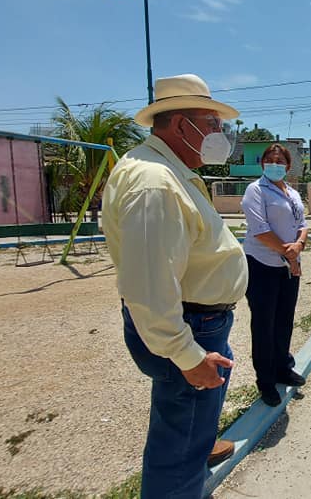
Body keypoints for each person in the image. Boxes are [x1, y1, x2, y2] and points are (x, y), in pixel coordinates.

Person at [102, 74, 247, 497]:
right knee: (178, 446)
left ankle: (199, 444)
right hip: (192, 327)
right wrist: (188, 356)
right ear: (182, 125)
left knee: (190, 425)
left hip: (200, 322)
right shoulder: (155, 183)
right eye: (213, 123)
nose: (220, 134)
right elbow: (149, 287)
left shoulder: (167, 172)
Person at [242, 143, 309, 407]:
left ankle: (283, 368)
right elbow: (260, 229)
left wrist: (299, 245)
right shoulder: (255, 190)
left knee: (284, 320)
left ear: (288, 166)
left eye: (280, 161)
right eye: (270, 159)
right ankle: (266, 380)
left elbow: (302, 224)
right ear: (263, 164)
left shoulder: (292, 192)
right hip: (262, 265)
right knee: (264, 324)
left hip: (289, 267)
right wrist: (288, 253)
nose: (275, 164)